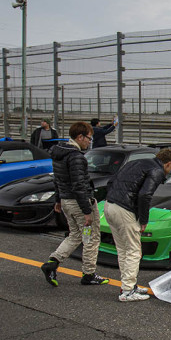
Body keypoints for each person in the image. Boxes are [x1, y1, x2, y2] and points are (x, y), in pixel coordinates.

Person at [39, 121, 110, 288]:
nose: (89, 142)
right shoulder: (76, 157)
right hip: (80, 203)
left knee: (75, 235)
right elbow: (79, 185)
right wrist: (87, 211)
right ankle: (89, 274)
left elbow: (57, 179)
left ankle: (53, 263)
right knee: (91, 238)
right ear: (80, 137)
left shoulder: (59, 153)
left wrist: (58, 200)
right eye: (89, 138)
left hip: (66, 201)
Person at [103, 148, 171, 301]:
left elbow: (111, 182)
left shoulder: (136, 162)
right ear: (169, 163)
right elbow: (145, 195)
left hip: (109, 205)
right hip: (125, 209)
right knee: (134, 251)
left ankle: (128, 285)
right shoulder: (157, 170)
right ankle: (128, 291)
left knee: (123, 250)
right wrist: (143, 220)